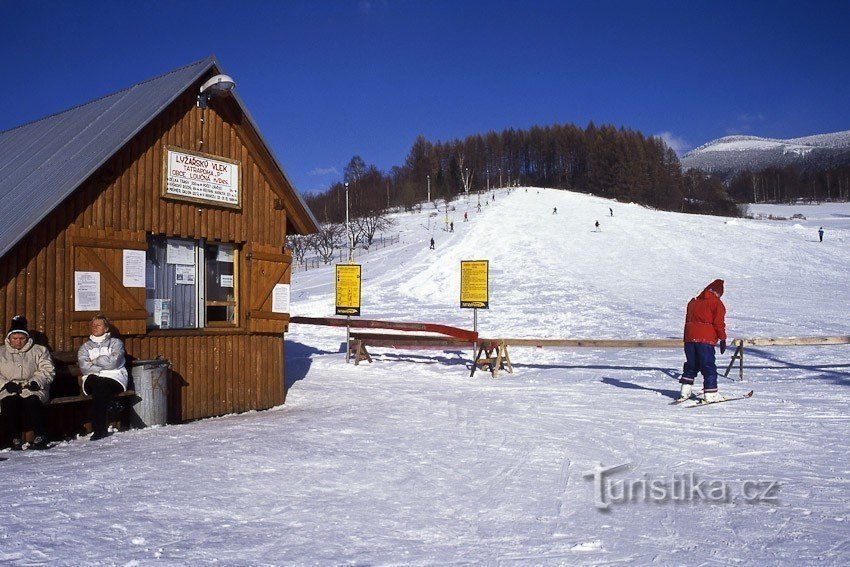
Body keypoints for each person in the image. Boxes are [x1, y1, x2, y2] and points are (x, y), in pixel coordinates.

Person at [0, 316, 55, 450]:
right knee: (8, 402)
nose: (18, 342)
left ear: (27, 338)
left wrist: (36, 381)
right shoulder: (1, 352)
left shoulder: (39, 350)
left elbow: (47, 369)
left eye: (21, 338)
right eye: (15, 338)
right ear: (9, 338)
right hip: (9, 387)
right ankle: (14, 438)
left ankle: (40, 435)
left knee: (32, 401)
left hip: (33, 387)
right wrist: (5, 384)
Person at [77, 315, 129, 441]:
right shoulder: (85, 347)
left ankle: (99, 431)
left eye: (98, 325)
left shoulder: (116, 343)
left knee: (100, 391)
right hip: (92, 379)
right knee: (98, 383)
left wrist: (95, 361)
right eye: (93, 325)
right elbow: (84, 367)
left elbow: (115, 361)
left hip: (114, 378)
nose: (94, 327)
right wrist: (103, 365)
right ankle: (111, 402)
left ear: (106, 328)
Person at [678, 280, 727, 403]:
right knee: (708, 365)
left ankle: (685, 391)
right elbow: (718, 323)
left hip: (689, 337)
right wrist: (723, 338)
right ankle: (711, 394)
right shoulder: (716, 303)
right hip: (705, 338)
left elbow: (688, 319)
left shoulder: (693, 301)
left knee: (691, 364)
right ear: (718, 293)